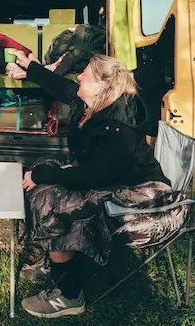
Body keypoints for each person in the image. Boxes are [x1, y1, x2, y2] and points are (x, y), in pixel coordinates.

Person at [13, 51, 170, 318]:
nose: (79, 76)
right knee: (46, 174)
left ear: (100, 86)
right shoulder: (94, 103)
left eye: (85, 73)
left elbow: (91, 178)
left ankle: (69, 294)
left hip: (143, 196)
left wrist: (41, 176)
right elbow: (62, 87)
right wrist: (31, 68)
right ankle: (56, 259)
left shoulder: (116, 126)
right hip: (112, 179)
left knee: (56, 203)